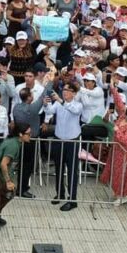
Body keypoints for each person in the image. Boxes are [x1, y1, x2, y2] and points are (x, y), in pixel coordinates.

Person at [0, 122, 30, 233]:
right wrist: (8, 181)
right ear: (21, 134)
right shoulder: (13, 145)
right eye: (28, 134)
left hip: (2, 175)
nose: (30, 136)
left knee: (8, 194)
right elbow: (3, 164)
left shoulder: (16, 142)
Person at [45, 82, 83, 212]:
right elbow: (50, 111)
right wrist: (46, 103)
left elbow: (73, 110)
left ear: (73, 93)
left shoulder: (78, 104)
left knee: (72, 170)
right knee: (58, 167)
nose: (65, 92)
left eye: (68, 90)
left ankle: (72, 199)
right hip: (58, 139)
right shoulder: (58, 103)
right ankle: (60, 192)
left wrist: (60, 101)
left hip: (72, 141)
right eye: (64, 89)